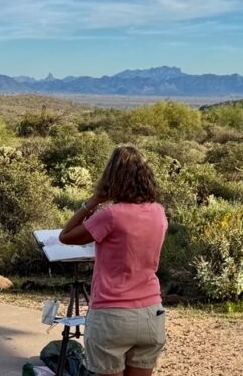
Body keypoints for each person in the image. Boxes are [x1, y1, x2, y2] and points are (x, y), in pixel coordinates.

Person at [59, 145, 168, 376]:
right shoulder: (158, 211)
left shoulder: (110, 215)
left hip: (112, 314)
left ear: (111, 177)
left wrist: (93, 201)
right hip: (151, 311)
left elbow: (66, 236)